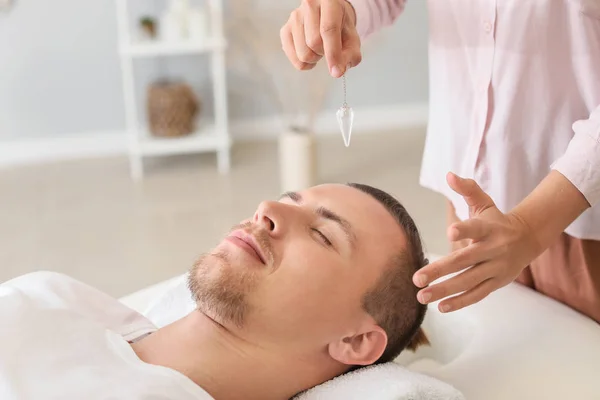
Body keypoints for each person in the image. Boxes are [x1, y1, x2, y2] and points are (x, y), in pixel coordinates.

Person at [280, 0, 600, 323]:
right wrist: (346, 9)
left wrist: (530, 229)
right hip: (469, 193)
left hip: (579, 207)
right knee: (492, 346)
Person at [0, 183, 430, 400]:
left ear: (354, 340)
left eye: (322, 234)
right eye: (286, 198)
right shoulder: (52, 295)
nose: (267, 210)